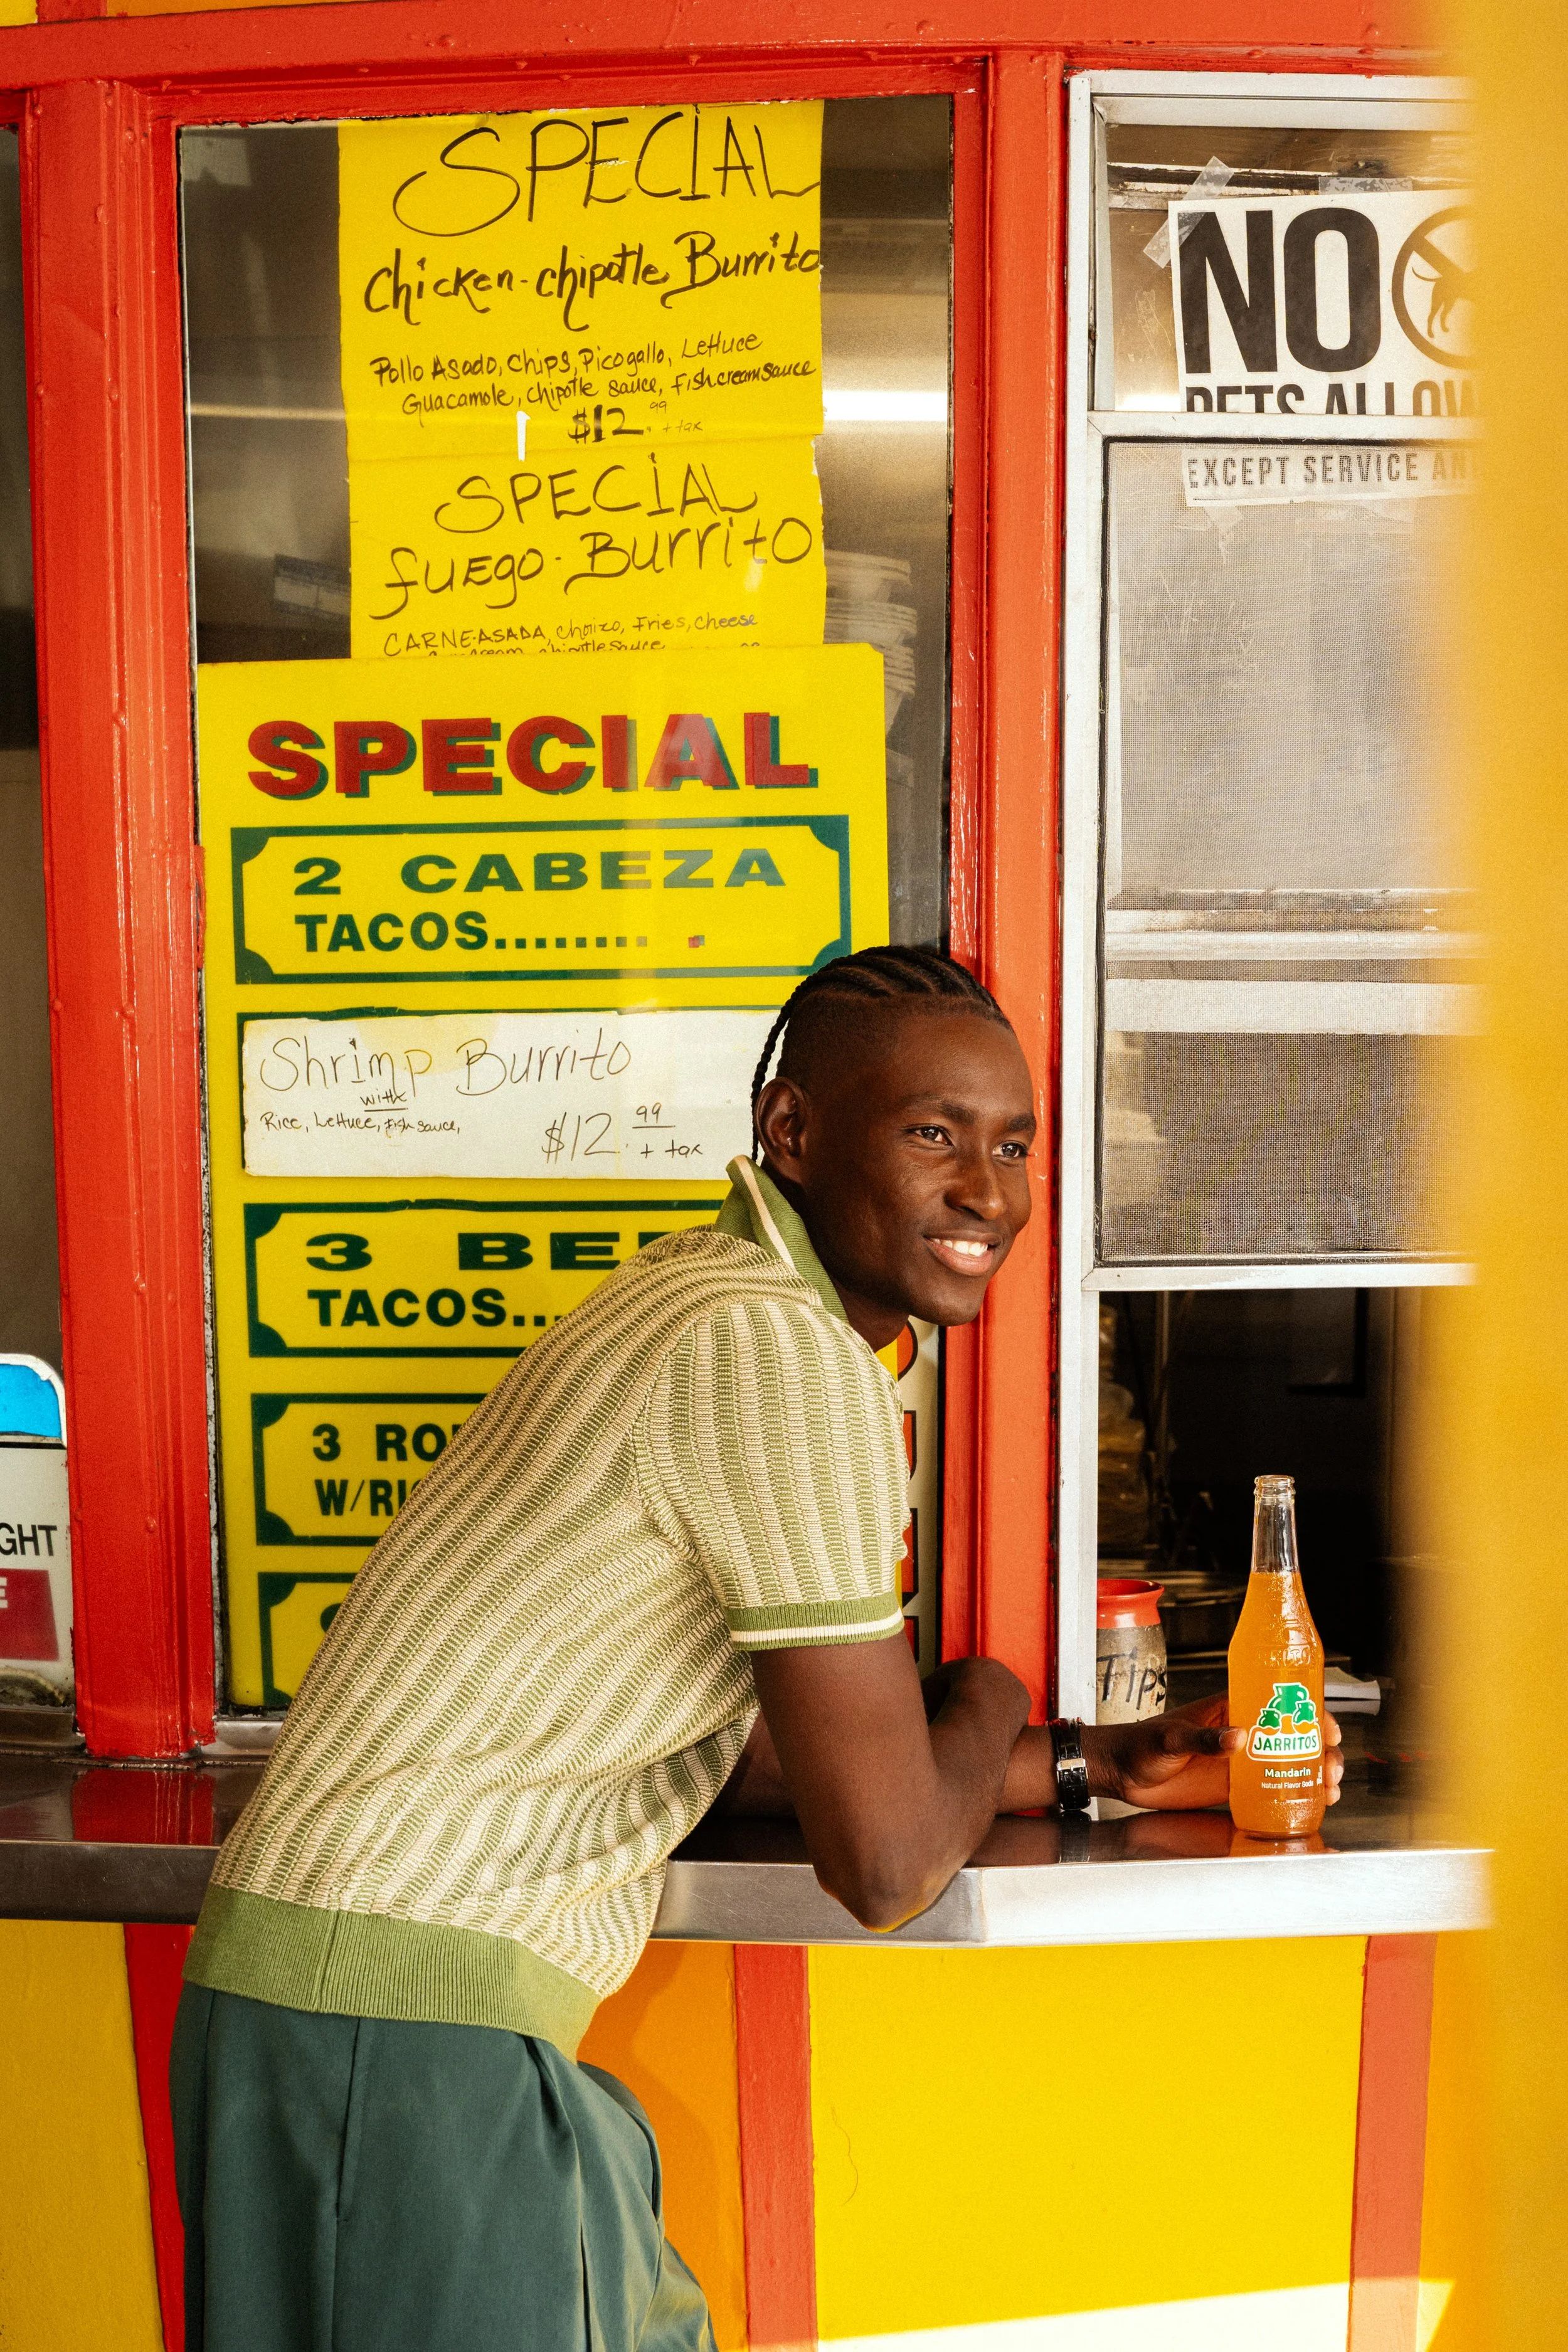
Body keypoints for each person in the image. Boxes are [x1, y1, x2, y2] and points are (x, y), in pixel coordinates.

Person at [173, 944, 1342, 2352]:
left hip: (341, 2012)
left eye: (1012, 1145)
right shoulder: (772, 1352)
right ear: (791, 1132)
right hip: (407, 2034)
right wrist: (990, 1692)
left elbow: (741, 1750)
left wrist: (1084, 1765)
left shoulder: (691, 1296)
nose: (988, 1193)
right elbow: (889, 1859)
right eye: (931, 1136)